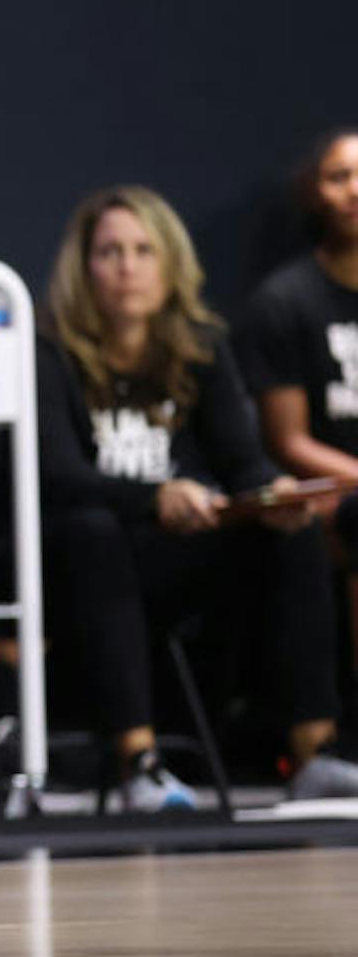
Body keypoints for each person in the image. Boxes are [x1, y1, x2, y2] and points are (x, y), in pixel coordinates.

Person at [34, 186, 358, 810]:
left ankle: (315, 751)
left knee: (289, 533)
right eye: (109, 253)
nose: (128, 267)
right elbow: (55, 475)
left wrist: (271, 492)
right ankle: (138, 762)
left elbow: (242, 461)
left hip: (172, 555)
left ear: (170, 262)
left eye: (142, 250)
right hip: (75, 559)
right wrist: (153, 496)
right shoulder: (49, 352)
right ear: (84, 267)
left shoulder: (201, 346)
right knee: (91, 528)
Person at [239, 128, 358, 692]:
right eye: (340, 177)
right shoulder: (284, 301)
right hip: (326, 493)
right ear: (316, 193)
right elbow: (289, 442)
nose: (356, 191)